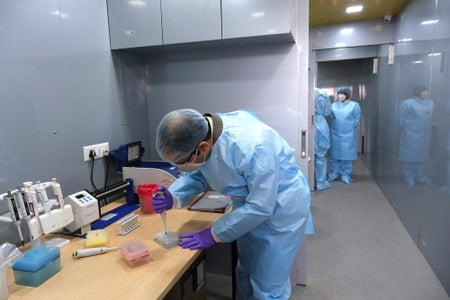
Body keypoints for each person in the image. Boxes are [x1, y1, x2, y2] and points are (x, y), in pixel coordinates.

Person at [153, 108, 311, 299]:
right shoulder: (206, 131)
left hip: (281, 210)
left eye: (183, 162)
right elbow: (199, 171)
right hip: (246, 209)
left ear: (202, 147)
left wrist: (214, 233)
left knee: (267, 284)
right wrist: (174, 195)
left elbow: (261, 206)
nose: (182, 168)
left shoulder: (253, 147)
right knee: (245, 269)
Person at [398, 85, 434, 187]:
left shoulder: (430, 103)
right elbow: (400, 119)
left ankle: (421, 176)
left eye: (426, 91)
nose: (426, 93)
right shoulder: (407, 103)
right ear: (417, 91)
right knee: (410, 157)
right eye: (423, 91)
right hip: (410, 135)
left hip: (425, 134)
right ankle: (409, 177)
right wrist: (409, 129)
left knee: (423, 156)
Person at [327, 86, 361, 184]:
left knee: (346, 156)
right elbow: (332, 117)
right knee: (335, 155)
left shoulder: (354, 105)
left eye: (343, 93)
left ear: (348, 95)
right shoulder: (333, 105)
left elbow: (356, 120)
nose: (340, 95)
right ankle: (333, 173)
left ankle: (345, 175)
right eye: (339, 93)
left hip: (348, 134)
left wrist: (348, 128)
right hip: (335, 133)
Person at [314, 88, 332, 191]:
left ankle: (308, 179)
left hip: (307, 123)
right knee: (320, 155)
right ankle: (321, 182)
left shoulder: (305, 91)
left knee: (308, 154)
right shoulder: (323, 95)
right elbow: (327, 111)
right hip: (321, 124)